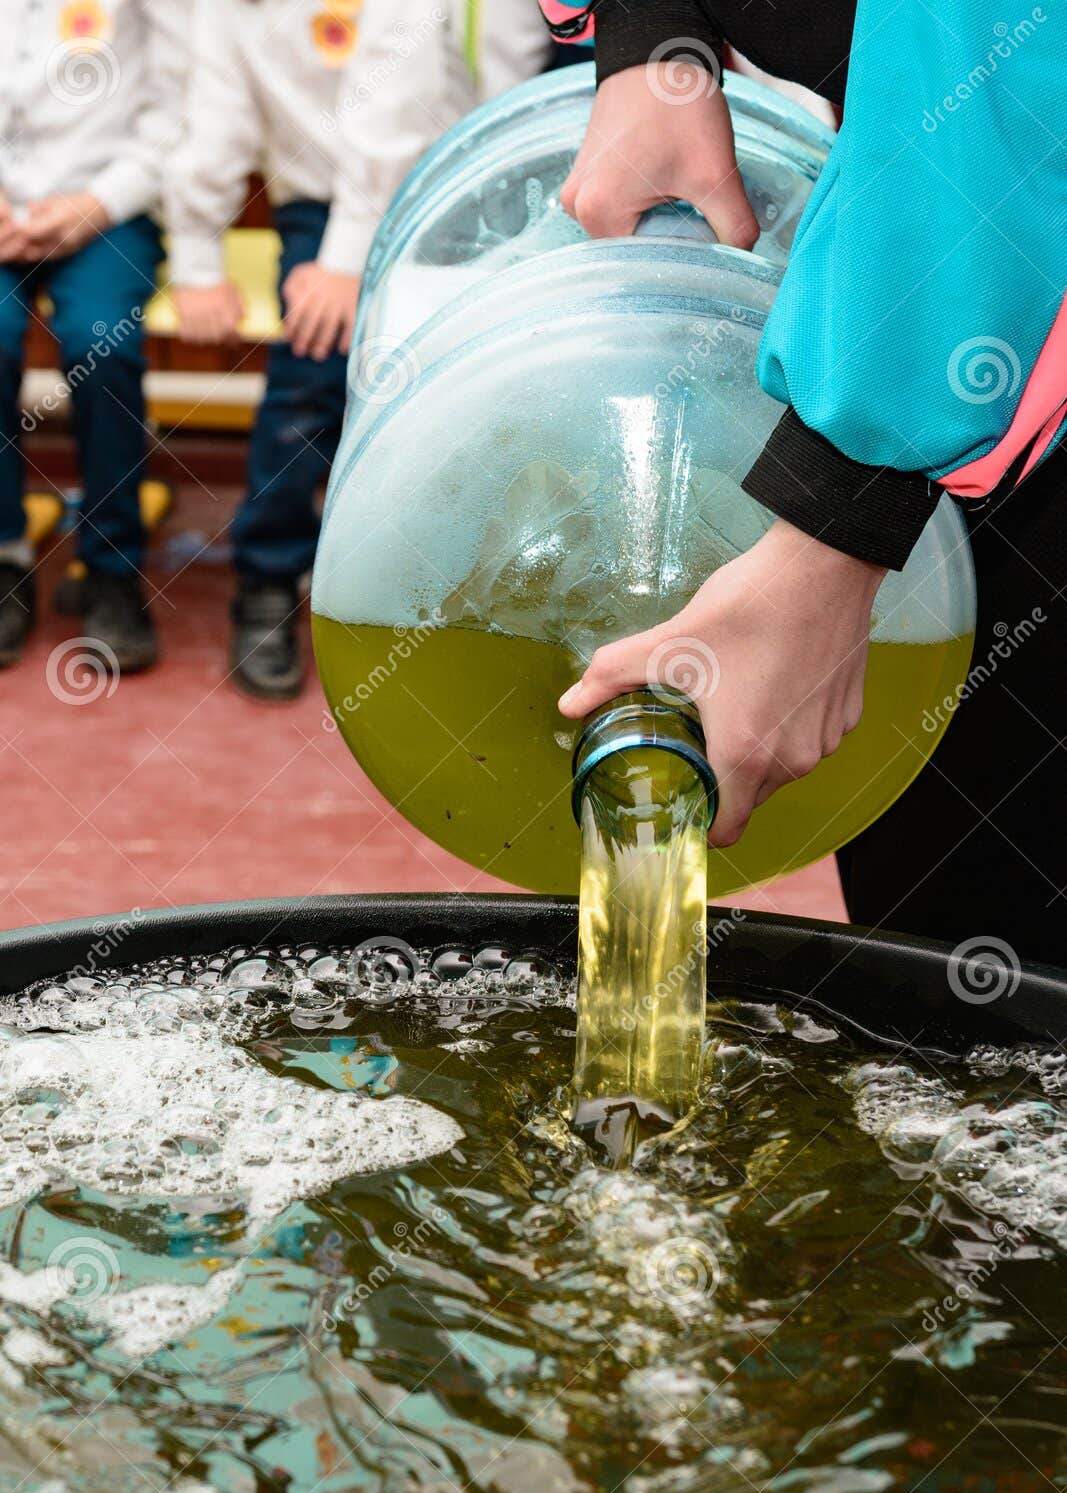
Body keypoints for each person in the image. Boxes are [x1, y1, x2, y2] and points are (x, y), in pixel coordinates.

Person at [541, 0, 1067, 966]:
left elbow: (1019, 77)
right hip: (948, 298)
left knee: (1007, 919)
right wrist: (653, 40)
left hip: (993, 294)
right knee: (951, 912)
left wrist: (833, 531)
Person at [166, 0, 550, 701]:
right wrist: (197, 258)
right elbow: (217, 121)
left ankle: (434, 591)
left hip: (427, 187)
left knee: (445, 380)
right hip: (315, 204)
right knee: (307, 376)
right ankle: (268, 575)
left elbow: (393, 113)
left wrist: (345, 264)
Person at [0, 0, 184, 673]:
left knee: (100, 342)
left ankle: (112, 568)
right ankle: (5, 555)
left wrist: (95, 205)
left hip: (109, 208)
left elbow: (177, 108)